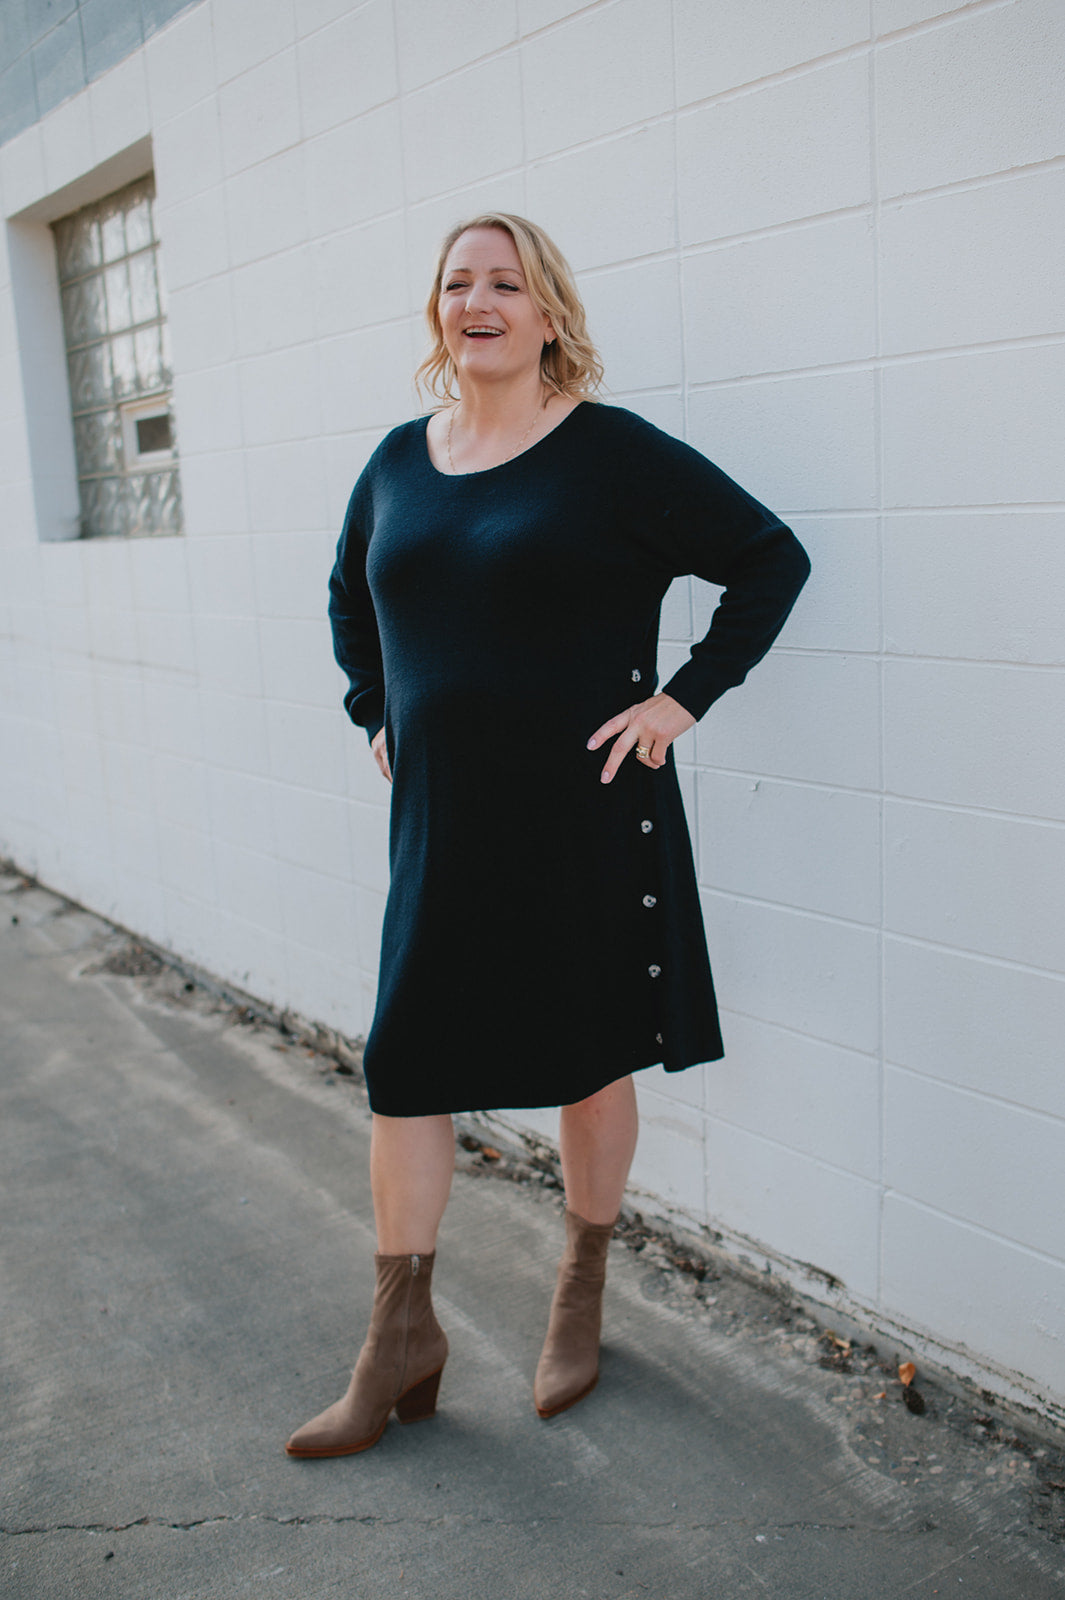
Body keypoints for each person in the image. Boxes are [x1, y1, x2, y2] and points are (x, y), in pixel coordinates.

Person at [284, 214, 810, 1458]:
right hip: (443, 821)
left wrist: (680, 701)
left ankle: (579, 1293)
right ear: (438, 310)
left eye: (506, 284)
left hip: (584, 811)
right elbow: (350, 595)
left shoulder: (611, 456)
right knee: (407, 1064)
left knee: (586, 1054)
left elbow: (768, 559)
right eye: (458, 283)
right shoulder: (398, 462)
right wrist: (377, 707)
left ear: (550, 313)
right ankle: (398, 1339)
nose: (479, 301)